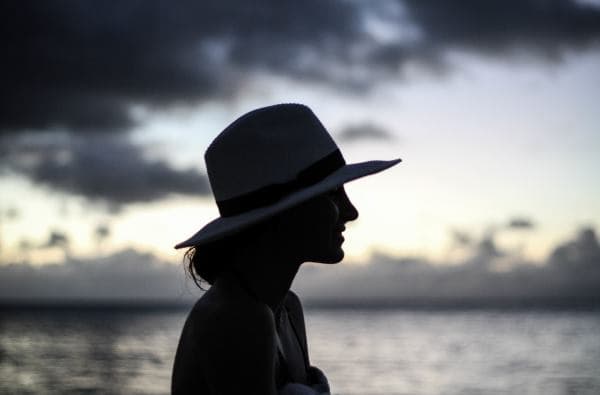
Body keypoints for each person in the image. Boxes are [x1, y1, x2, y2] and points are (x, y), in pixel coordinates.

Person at [171, 104, 401, 395]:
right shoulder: (237, 319)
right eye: (332, 193)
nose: (351, 211)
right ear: (283, 212)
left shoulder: (286, 308)